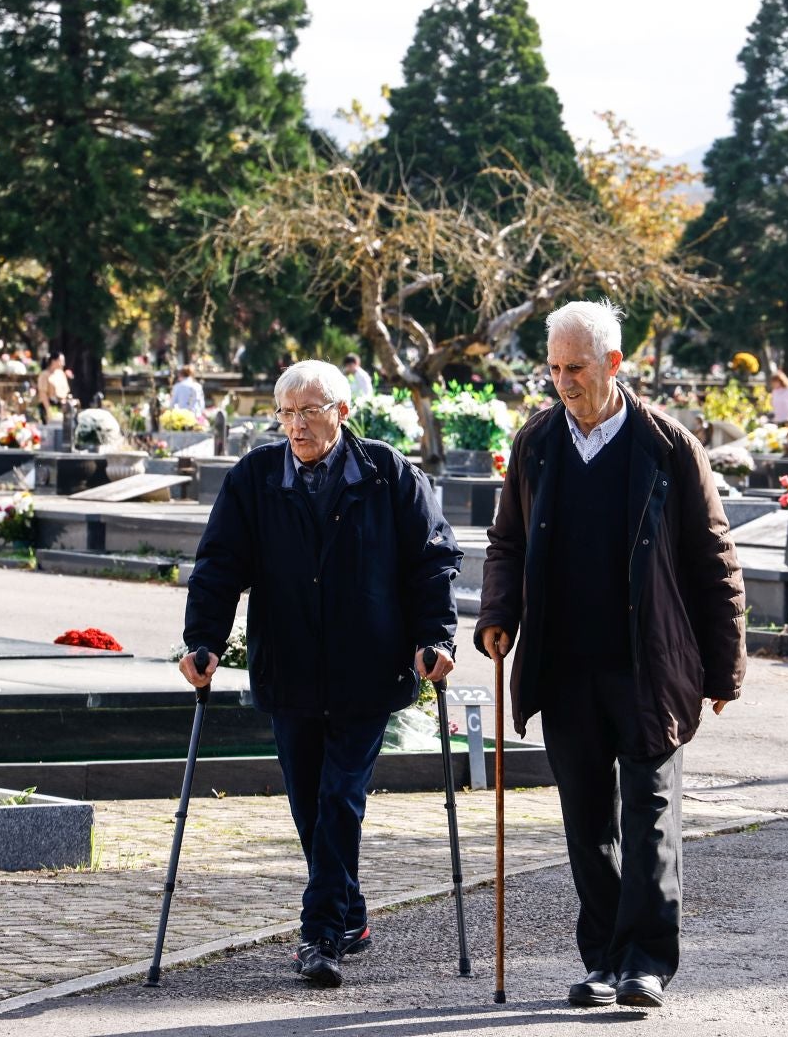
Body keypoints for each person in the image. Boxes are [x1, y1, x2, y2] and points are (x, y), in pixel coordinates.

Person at [476, 300, 745, 1011]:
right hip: (562, 663)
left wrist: (724, 668)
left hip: (646, 662)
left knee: (649, 813)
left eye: (577, 368)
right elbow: (507, 543)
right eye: (555, 369)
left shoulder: (668, 446)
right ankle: (601, 960)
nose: (564, 382)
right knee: (586, 819)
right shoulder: (536, 442)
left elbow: (713, 559)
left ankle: (645, 962)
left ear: (615, 364)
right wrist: (498, 614)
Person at [182, 359, 460, 988]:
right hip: (290, 665)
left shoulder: (388, 473)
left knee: (340, 796)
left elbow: (432, 559)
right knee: (309, 801)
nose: (296, 424)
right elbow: (220, 563)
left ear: (341, 411)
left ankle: (321, 933)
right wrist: (203, 640)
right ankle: (352, 913)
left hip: (367, 664)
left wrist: (434, 638)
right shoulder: (256, 477)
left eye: (309, 411)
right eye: (286, 412)